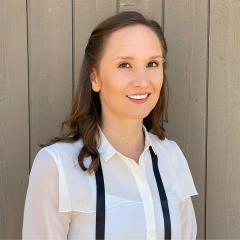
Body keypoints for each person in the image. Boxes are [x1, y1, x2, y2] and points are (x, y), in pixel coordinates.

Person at [22, 11, 199, 240]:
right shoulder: (56, 166)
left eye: (152, 63)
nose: (142, 81)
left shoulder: (172, 157)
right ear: (95, 78)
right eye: (125, 65)